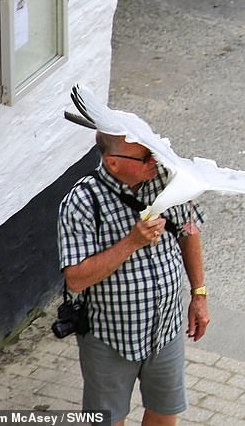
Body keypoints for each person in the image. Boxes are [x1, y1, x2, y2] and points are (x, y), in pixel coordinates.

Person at [58, 131, 210, 425]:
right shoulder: (82, 201)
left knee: (165, 414)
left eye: (154, 152)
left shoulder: (167, 180)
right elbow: (76, 280)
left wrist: (199, 294)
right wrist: (131, 242)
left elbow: (189, 231)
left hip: (165, 330)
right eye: (145, 157)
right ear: (113, 163)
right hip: (110, 338)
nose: (155, 161)